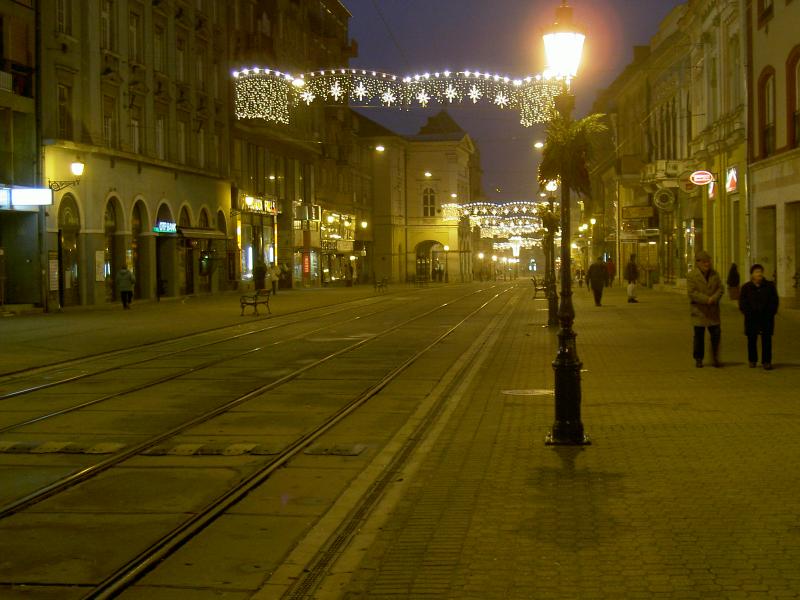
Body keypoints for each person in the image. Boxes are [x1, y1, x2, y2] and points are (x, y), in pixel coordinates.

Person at [738, 264, 779, 370]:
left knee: (767, 340)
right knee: (751, 340)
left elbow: (774, 301)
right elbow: (742, 303)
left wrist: (770, 313)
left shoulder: (769, 286)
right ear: (752, 275)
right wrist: (748, 312)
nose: (759, 274)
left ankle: (766, 361)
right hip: (752, 318)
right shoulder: (746, 287)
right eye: (756, 272)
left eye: (760, 271)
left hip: (766, 318)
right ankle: (752, 360)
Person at [687, 251, 724, 368]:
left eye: (708, 261)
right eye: (704, 262)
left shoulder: (714, 274)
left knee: (716, 335)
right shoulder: (692, 276)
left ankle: (715, 358)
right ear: (698, 263)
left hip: (713, 310)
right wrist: (706, 299)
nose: (707, 264)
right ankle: (699, 358)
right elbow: (692, 292)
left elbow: (720, 288)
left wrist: (714, 298)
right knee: (699, 337)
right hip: (699, 311)